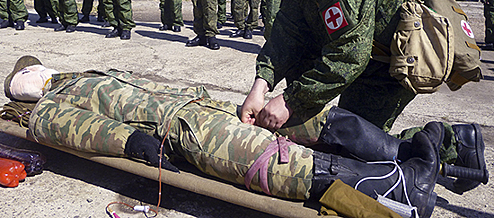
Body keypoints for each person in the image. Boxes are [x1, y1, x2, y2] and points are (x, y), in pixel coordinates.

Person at [237, 0, 487, 194]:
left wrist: (290, 100)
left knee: (356, 151)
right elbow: (287, 30)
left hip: (388, 65)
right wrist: (261, 85)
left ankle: (453, 142)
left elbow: (349, 55)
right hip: (361, 56)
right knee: (337, 139)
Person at [4, 55, 445, 218]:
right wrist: (128, 142)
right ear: (21, 89)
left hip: (201, 109)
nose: (33, 74)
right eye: (25, 75)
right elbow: (69, 128)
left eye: (33, 67)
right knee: (269, 157)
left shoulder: (79, 73)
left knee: (303, 119)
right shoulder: (43, 108)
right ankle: (401, 187)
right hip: (178, 131)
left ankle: (403, 152)